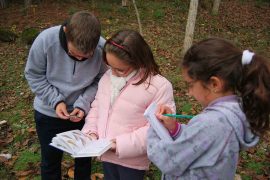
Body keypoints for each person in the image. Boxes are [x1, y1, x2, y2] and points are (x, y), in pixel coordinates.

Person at [147, 38, 270, 180]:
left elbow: (168, 160)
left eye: (190, 85)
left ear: (214, 84)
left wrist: (153, 128)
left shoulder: (212, 122)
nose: (189, 93)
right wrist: (174, 128)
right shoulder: (235, 112)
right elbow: (200, 143)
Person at [81, 29, 175, 180]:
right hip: (105, 153)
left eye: (120, 69)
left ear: (138, 61)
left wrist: (119, 145)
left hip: (132, 160)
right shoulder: (107, 77)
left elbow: (157, 128)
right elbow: (97, 107)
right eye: (109, 65)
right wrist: (91, 132)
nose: (112, 72)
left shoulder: (159, 86)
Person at [24, 11, 107, 180]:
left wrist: (83, 103)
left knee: (83, 160)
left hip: (84, 114)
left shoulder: (102, 48)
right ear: (66, 31)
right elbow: (34, 74)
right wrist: (55, 101)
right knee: (50, 161)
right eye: (74, 54)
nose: (80, 59)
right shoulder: (45, 40)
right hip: (48, 113)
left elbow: (102, 80)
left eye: (86, 57)